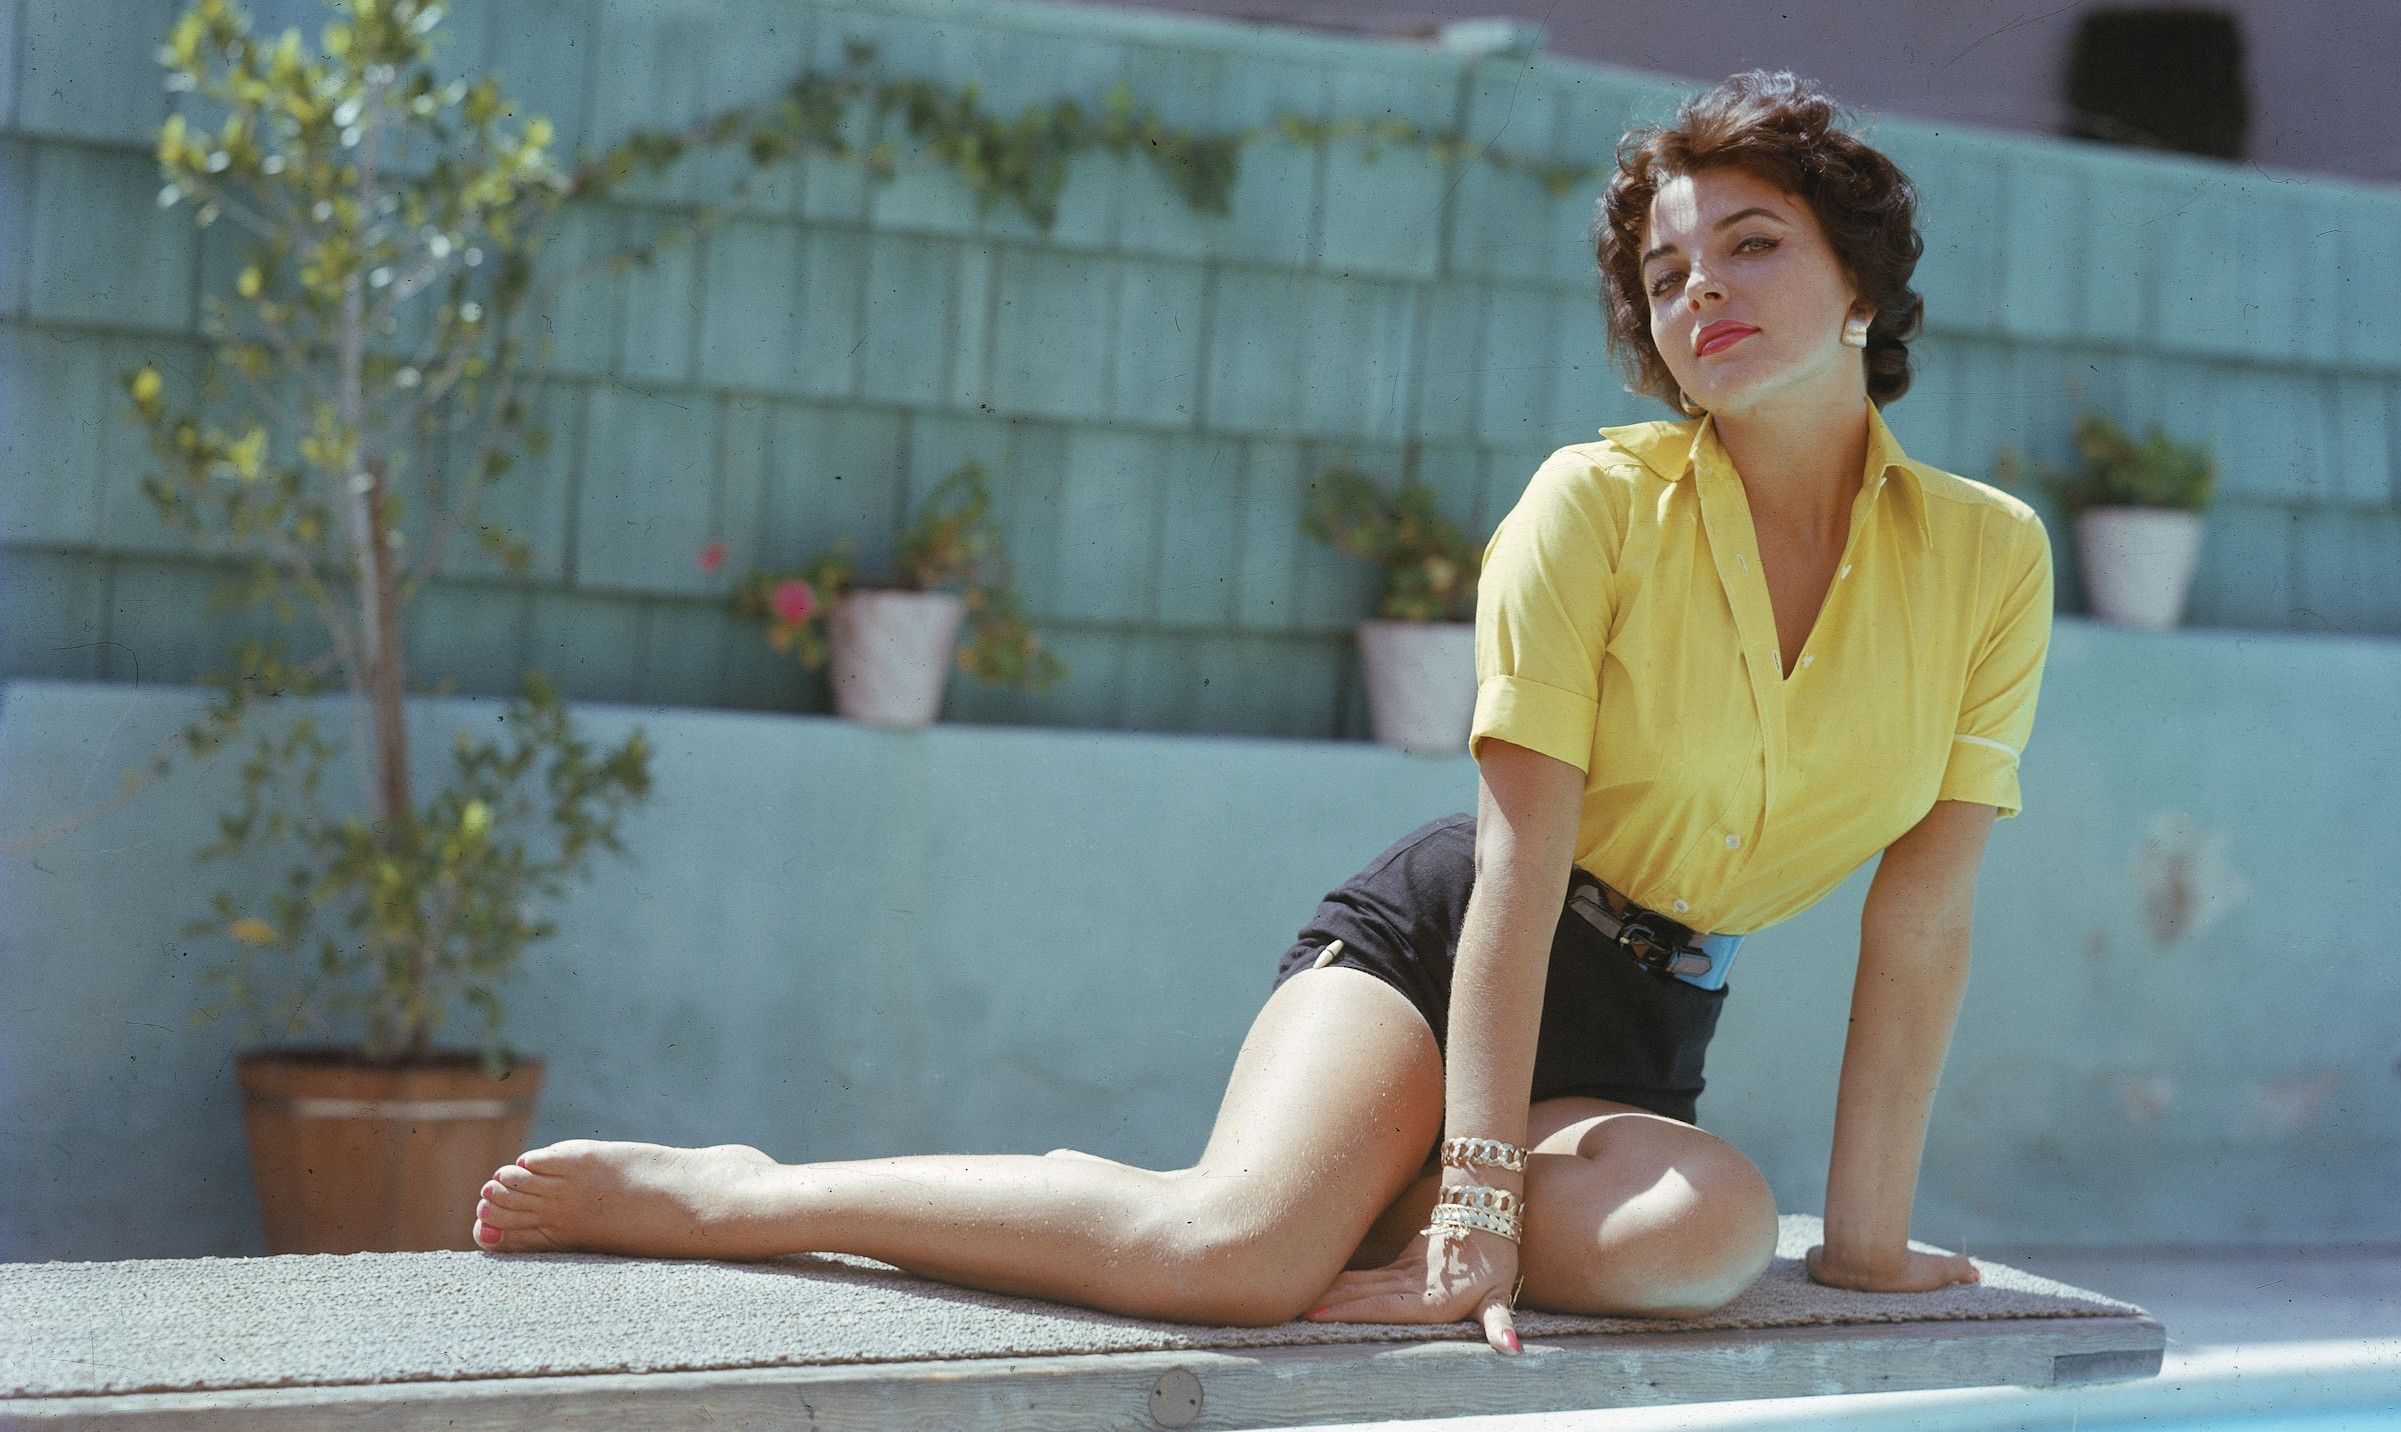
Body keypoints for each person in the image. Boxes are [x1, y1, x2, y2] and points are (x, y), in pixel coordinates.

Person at [465, 69, 2054, 1362]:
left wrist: (1861, 1246)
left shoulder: (1988, 559)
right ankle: (743, 1195)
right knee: (1227, 1259)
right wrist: (1483, 1204)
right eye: (1667, 271)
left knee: (1703, 1240)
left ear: (1858, 276)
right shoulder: (1592, 509)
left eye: (1753, 245)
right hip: (1447, 955)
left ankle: (1362, 1193)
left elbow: (1923, 922)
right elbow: (1513, 871)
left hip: (1642, 1028)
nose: (1701, 289)